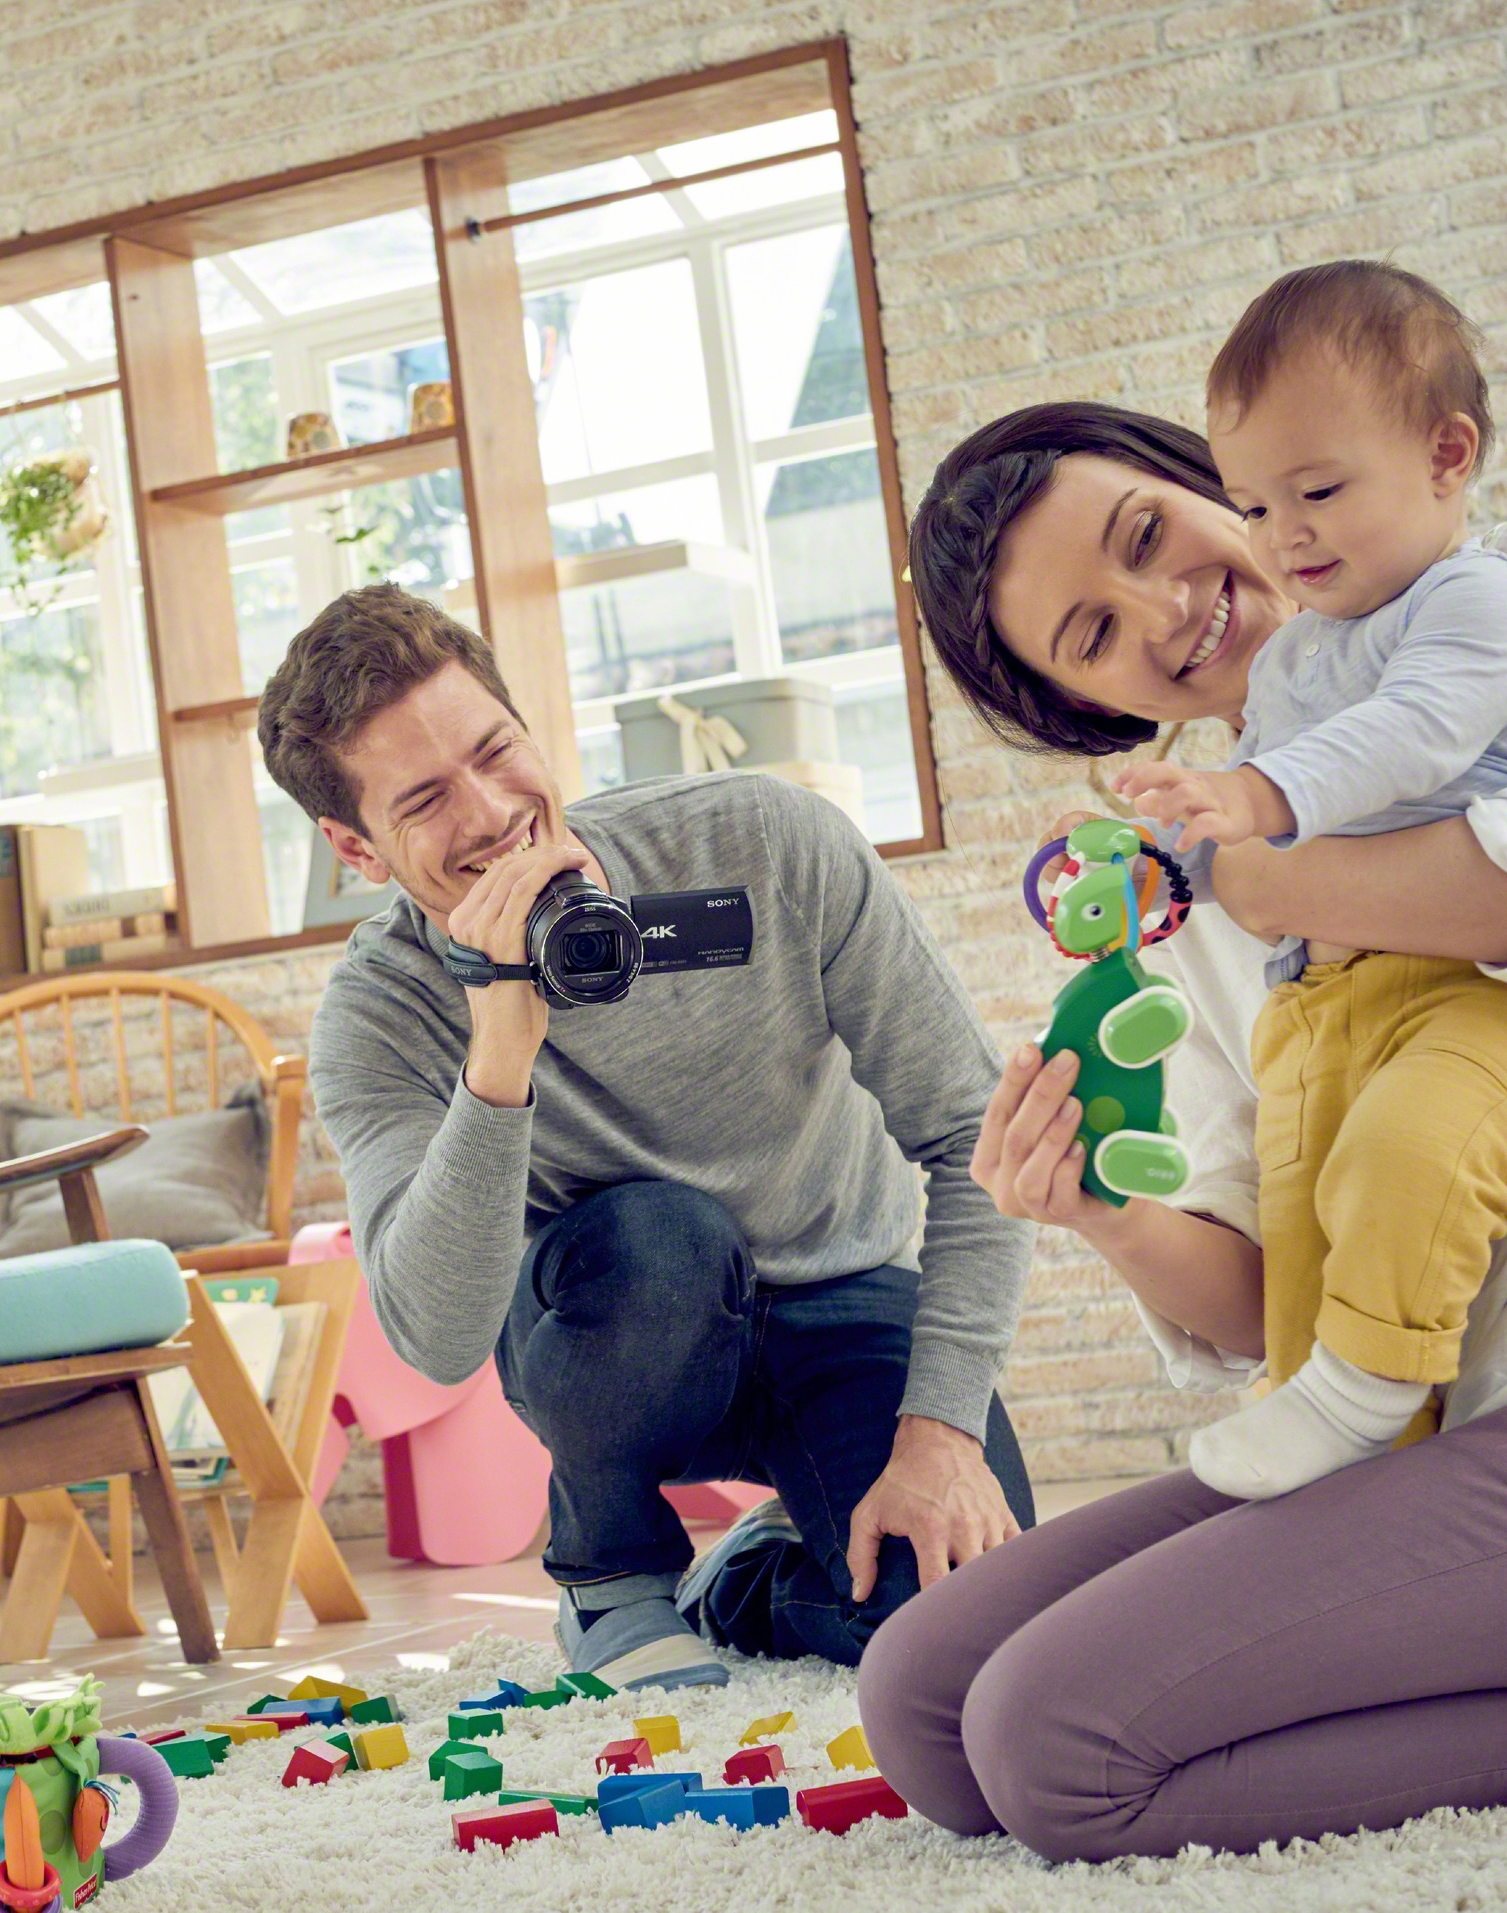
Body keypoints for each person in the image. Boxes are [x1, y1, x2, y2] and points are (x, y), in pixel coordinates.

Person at [848, 397, 1507, 1861]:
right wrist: (1101, 1209)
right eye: (1096, 637)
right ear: (1089, 707)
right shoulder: (1191, 887)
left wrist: (1269, 879)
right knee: (926, 1695)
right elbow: (1261, 1299)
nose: (1168, 613)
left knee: (1059, 1743)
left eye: (1150, 535)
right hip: (1439, 1425)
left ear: (1210, 484)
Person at [261, 584, 1033, 1691]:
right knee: (661, 1236)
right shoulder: (380, 1010)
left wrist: (942, 1433)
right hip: (622, 1329)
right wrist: (500, 1048)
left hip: (845, 1296)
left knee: (972, 1624)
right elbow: (434, 1336)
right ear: (357, 846)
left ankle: (749, 1580)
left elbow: (970, 1132)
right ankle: (611, 1571)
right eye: (425, 799)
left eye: (496, 750)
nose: (488, 812)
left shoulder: (764, 841)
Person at [1115, 262, 1507, 1499]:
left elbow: (1419, 736)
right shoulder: (1297, 670)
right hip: (1322, 1007)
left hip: (1478, 986)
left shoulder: (1481, 598)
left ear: (1447, 456)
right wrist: (1173, 873)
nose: (1286, 537)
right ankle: (1331, 1438)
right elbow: (1249, 847)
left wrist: (1261, 806)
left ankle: (1366, 1388)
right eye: (1259, 504)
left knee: (1411, 1150)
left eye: (1318, 492)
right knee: (1314, 1210)